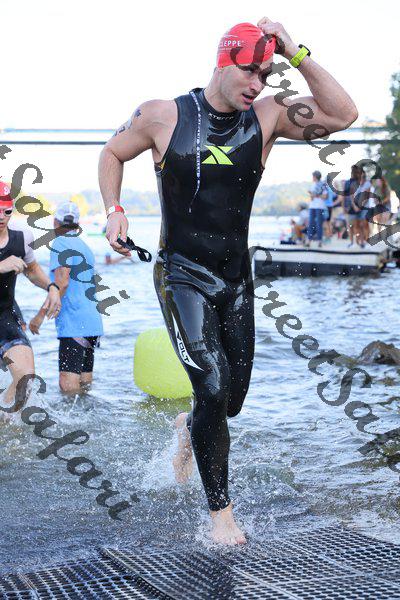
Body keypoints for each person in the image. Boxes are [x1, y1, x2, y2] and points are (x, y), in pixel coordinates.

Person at [98, 19, 358, 545]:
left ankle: (189, 426)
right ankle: (221, 515)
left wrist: (295, 51)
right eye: (251, 71)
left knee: (228, 402)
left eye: (266, 73)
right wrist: (114, 210)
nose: (259, 84)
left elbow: (342, 114)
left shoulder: (267, 117)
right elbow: (111, 153)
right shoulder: (162, 115)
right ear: (223, 61)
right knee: (213, 387)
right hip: (181, 274)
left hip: (235, 280)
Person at [29, 202, 103, 394]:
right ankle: (87, 413)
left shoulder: (60, 243)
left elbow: (62, 283)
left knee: (67, 384)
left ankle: (71, 416)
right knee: (84, 383)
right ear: (77, 224)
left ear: (55, 222)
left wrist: (40, 316)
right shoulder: (84, 246)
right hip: (92, 321)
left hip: (74, 321)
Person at [0, 180, 61, 412]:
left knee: (25, 379)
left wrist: (52, 287)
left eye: (7, 211)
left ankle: (6, 422)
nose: (2, 217)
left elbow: (33, 270)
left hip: (4, 316)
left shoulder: (21, 237)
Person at [343, 165, 363, 248]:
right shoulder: (348, 182)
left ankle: (358, 242)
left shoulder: (360, 182)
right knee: (351, 226)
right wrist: (344, 207)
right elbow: (346, 195)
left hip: (359, 207)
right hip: (351, 207)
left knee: (357, 226)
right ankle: (352, 242)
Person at [306, 170, 325, 247]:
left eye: (313, 176)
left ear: (315, 177)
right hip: (312, 206)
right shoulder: (312, 185)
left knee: (319, 224)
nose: (312, 178)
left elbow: (325, 196)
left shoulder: (322, 185)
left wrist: (315, 195)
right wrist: (311, 194)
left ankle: (319, 241)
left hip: (319, 206)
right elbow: (312, 197)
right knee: (310, 224)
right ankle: (309, 241)